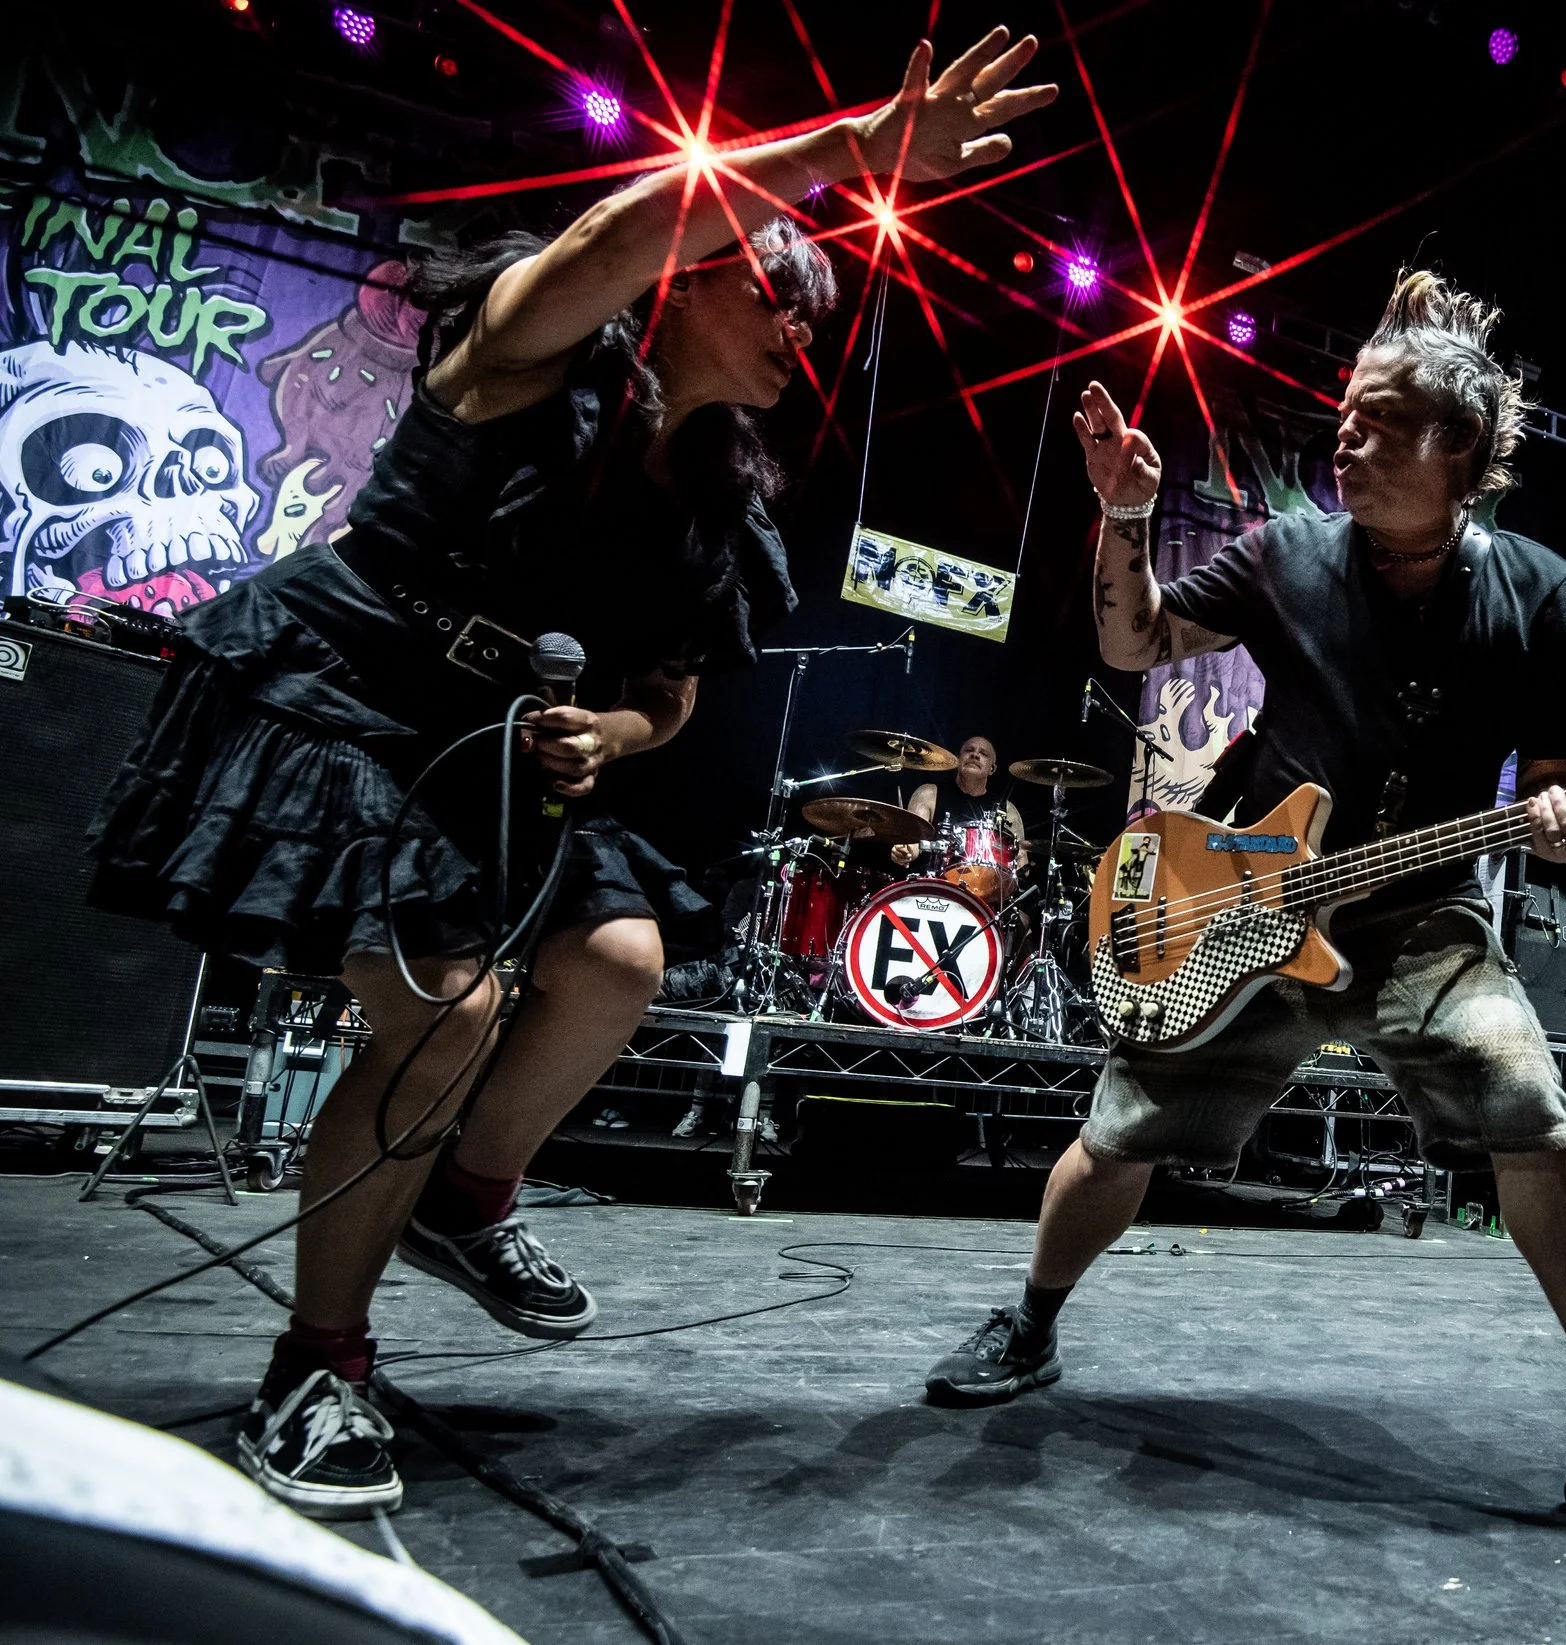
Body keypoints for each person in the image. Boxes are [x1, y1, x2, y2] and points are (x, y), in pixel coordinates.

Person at [84, 29, 1057, 1518]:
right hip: (350, 690)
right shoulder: (526, 350)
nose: (805, 331)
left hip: (497, 744)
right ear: (695, 276)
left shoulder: (724, 497)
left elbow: (667, 687)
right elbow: (619, 230)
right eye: (776, 291)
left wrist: (622, 734)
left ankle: (468, 1200)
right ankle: (317, 1362)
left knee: (618, 959)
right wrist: (851, 149)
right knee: (447, 1011)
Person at [920, 269, 1566, 1586]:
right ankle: (1030, 1321)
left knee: (1527, 1103)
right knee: (1122, 1125)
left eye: (1376, 422)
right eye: (1344, 415)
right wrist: (1123, 518)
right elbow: (1136, 647)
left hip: (1425, 919)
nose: (1344, 439)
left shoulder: (1542, 590)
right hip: (1246, 899)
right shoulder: (1287, 551)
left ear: (1459, 452)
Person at [893, 733, 1028, 894]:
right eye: (969, 750)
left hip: (986, 893)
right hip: (931, 888)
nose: (975, 755)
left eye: (983, 754)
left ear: (992, 768)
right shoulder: (929, 794)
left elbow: (1021, 860)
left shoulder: (1007, 809)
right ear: (958, 759)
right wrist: (906, 851)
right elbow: (913, 841)